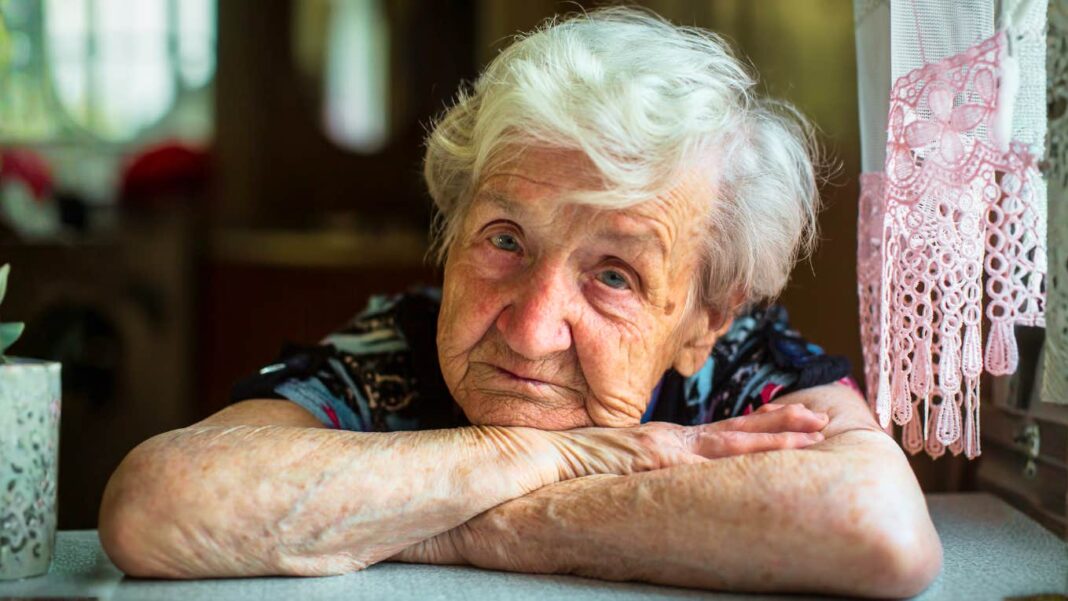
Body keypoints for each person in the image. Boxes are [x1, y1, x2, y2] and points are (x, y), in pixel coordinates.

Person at [98, 8, 941, 597]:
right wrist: (545, 457)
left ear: (705, 319)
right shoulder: (399, 348)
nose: (532, 329)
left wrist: (455, 523)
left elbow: (878, 529)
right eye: (505, 239)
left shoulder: (742, 363)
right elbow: (156, 504)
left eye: (614, 275)